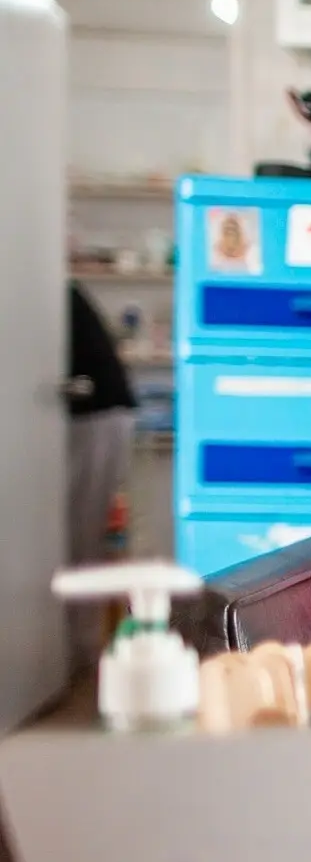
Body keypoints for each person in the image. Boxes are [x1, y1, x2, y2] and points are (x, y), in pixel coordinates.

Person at [64, 283, 137, 674]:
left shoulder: (33, 284)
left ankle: (81, 655)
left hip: (95, 415)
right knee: (81, 535)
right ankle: (79, 652)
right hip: (96, 412)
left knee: (80, 536)